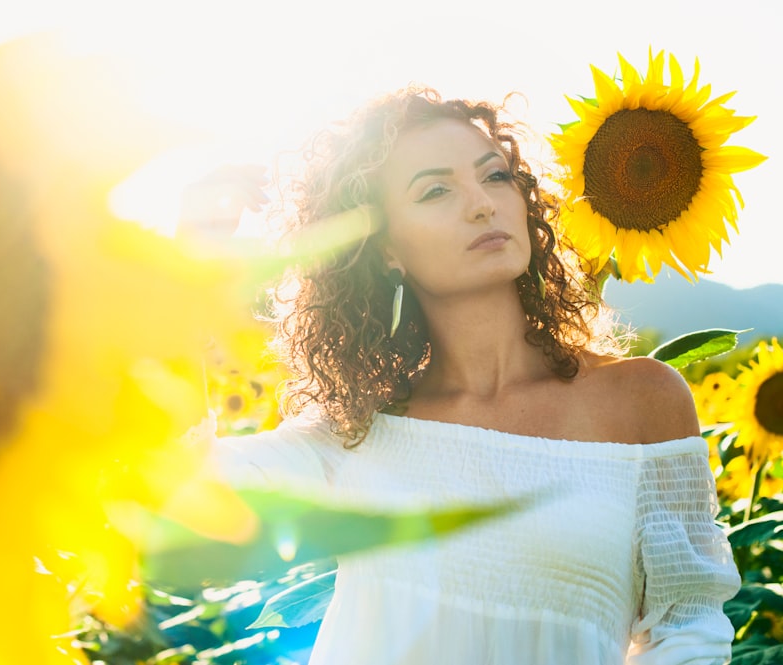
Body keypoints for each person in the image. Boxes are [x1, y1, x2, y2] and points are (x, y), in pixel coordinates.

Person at [179, 86, 741, 665]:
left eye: (494, 177)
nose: (481, 204)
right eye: (436, 191)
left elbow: (689, 627)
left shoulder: (641, 401)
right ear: (385, 249)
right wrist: (180, 275)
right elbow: (179, 490)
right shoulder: (358, 428)